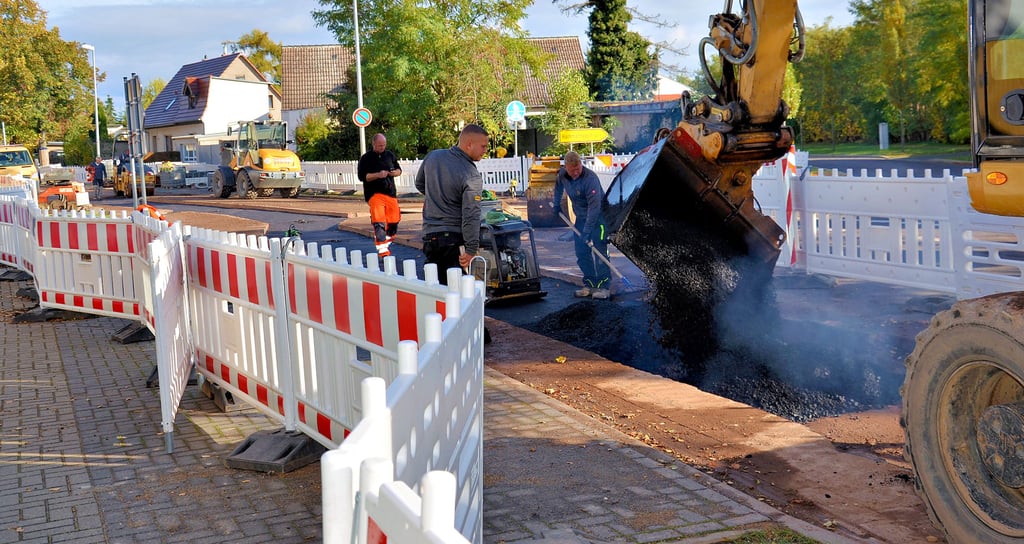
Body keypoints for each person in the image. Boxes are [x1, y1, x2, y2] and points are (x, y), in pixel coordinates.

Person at [415, 124, 490, 284]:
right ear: (469, 144)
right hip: (453, 241)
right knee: (458, 296)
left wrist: (438, 197)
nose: (485, 151)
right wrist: (470, 249)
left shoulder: (433, 157)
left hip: (430, 237)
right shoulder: (471, 174)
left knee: (435, 290)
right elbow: (471, 214)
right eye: (483, 146)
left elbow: (420, 184)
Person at [552, 151, 611, 300]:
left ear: (580, 164)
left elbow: (594, 208)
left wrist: (586, 231)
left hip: (599, 219)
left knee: (600, 252)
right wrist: (557, 204)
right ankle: (590, 284)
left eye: (578, 168)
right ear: (566, 168)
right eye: (573, 170)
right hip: (581, 218)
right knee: (581, 252)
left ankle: (604, 286)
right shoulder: (562, 175)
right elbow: (558, 187)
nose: (576, 172)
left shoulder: (590, 179)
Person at [357, 133, 403, 257]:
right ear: (374, 144)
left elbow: (399, 170)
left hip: (390, 193)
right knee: (379, 220)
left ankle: (386, 240)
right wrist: (378, 175)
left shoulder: (389, 155)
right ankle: (383, 250)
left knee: (394, 219)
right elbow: (362, 177)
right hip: (374, 193)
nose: (382, 147)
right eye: (379, 145)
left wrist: (393, 173)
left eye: (383, 145)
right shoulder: (366, 158)